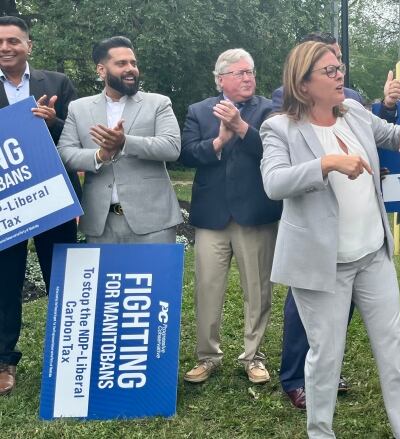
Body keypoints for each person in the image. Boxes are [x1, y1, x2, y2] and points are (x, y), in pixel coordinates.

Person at [260, 41, 400, 439]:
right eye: (330, 71)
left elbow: (389, 131)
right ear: (303, 83)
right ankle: (320, 433)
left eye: (340, 68)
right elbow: (274, 182)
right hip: (321, 265)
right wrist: (327, 163)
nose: (340, 77)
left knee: (394, 351)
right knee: (325, 358)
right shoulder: (278, 127)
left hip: (372, 255)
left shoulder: (354, 114)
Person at [178, 49, 281, 385]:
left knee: (258, 290)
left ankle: (254, 357)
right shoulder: (198, 110)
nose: (247, 78)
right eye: (239, 73)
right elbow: (186, 153)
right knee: (207, 288)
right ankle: (208, 357)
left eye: (250, 72)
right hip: (212, 217)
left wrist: (241, 128)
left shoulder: (269, 110)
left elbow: (274, 150)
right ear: (220, 79)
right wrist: (218, 141)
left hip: (256, 214)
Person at [0, 15, 80, 396]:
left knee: (61, 280)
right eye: (0, 41)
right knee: (4, 284)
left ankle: (70, 354)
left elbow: (77, 136)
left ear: (29, 45)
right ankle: (4, 362)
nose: (5, 47)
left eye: (13, 41)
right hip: (6, 204)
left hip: (51, 199)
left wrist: (54, 120)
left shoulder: (58, 84)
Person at [58, 36, 182, 243]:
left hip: (153, 222)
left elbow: (171, 147)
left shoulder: (158, 103)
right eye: (121, 63)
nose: (131, 68)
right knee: (106, 277)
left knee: (153, 276)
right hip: (101, 223)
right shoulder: (78, 108)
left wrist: (124, 142)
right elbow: (64, 154)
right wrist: (100, 155)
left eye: (133, 63)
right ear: (101, 70)